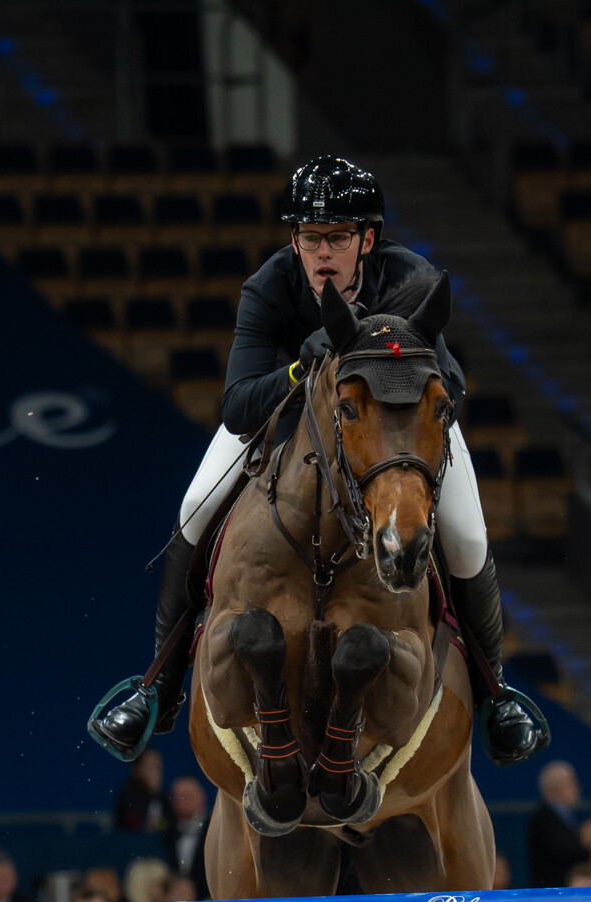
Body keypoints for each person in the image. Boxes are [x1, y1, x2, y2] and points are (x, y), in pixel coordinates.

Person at [91, 154, 549, 770]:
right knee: (195, 508)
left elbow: (452, 385)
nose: (322, 252)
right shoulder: (269, 286)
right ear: (294, 241)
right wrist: (299, 369)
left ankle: (496, 693)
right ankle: (160, 685)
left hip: (395, 434)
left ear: (368, 240)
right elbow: (236, 406)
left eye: (337, 237)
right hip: (284, 425)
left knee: (466, 536)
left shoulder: (408, 279)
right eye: (310, 238)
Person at [527, 761, 588, 888]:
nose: (578, 787)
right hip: (552, 893)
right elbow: (564, 853)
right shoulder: (544, 818)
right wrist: (588, 844)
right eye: (572, 783)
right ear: (556, 788)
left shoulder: (562, 816)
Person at [164, 776, 209, 894]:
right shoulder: (166, 832)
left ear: (203, 797)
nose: (185, 800)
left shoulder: (216, 828)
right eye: (181, 797)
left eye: (190, 796)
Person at [113, 749, 170, 833]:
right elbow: (131, 828)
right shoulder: (128, 797)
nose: (156, 773)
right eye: (151, 767)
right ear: (137, 770)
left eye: (158, 767)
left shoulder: (164, 797)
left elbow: (168, 825)